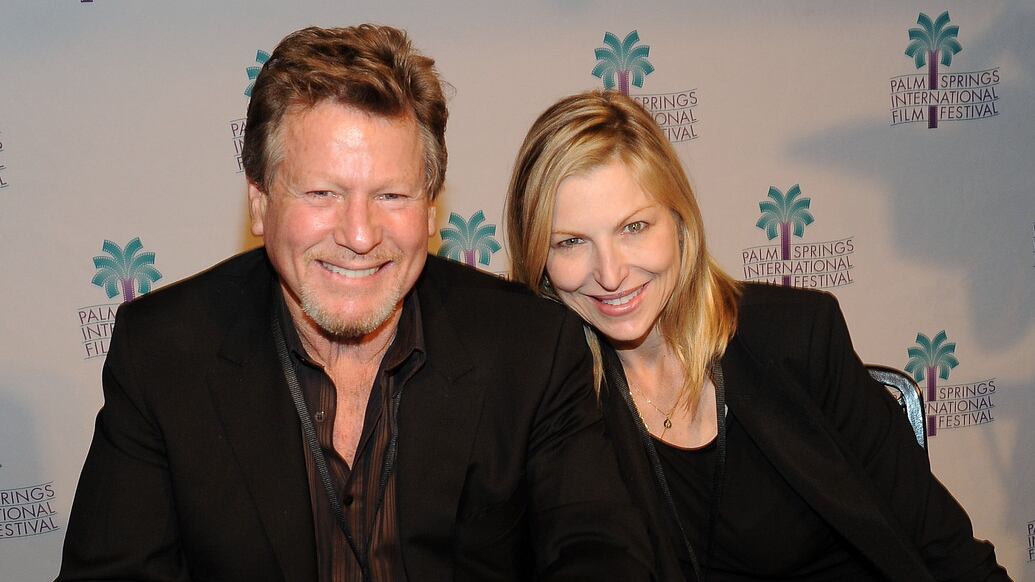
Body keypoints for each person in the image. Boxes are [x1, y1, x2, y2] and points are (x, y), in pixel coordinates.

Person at [57, 28, 652, 581]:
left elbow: (600, 554)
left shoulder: (530, 345)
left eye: (392, 195)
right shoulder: (164, 355)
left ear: (431, 211)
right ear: (260, 204)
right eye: (322, 193)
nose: (360, 234)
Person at [504, 90, 1010, 581]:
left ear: (680, 224)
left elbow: (943, 549)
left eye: (634, 227)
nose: (610, 273)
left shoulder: (797, 337)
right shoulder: (551, 405)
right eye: (571, 242)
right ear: (540, 263)